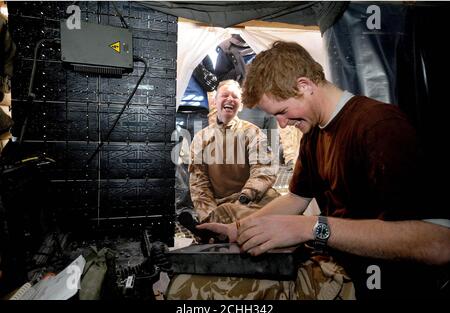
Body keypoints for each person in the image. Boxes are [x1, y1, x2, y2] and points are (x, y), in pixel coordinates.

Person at [198, 41, 450, 299]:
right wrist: (240, 228)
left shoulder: (380, 127)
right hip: (331, 264)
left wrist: (312, 228)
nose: (283, 125)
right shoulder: (313, 135)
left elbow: (438, 244)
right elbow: (297, 198)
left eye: (283, 112)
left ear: (305, 85)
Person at [188, 79, 279, 224]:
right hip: (219, 206)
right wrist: (210, 217)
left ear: (241, 105)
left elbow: (264, 170)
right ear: (214, 102)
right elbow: (199, 185)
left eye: (235, 97)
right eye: (225, 95)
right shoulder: (201, 138)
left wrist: (244, 198)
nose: (230, 99)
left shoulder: (252, 132)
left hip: (251, 201)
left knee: (279, 209)